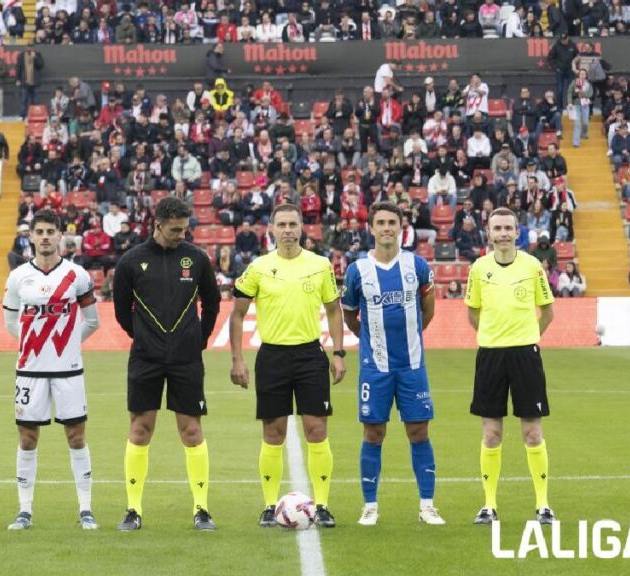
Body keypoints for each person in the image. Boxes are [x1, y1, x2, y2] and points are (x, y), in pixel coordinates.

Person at [230, 204, 346, 529]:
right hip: (272, 357)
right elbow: (237, 314)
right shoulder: (258, 267)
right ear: (270, 228)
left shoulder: (320, 265)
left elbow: (334, 310)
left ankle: (322, 505)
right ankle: (269, 505)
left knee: (317, 430)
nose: (288, 230)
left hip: (310, 355)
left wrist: (338, 353)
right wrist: (237, 358)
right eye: (281, 224)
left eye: (293, 224)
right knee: (273, 432)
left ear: (302, 227)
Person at [112, 197, 222, 531]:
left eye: (184, 229)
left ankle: (201, 509)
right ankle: (133, 510)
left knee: (191, 430)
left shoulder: (197, 259)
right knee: (140, 429)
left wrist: (197, 340)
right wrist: (144, 338)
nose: (181, 235)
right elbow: (121, 311)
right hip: (146, 358)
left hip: (186, 359)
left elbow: (213, 305)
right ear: (157, 224)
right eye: (175, 229)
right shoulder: (131, 262)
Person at [341, 202, 444, 527]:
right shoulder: (357, 270)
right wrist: (371, 339)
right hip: (376, 368)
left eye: (392, 222)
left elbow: (428, 311)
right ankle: (369, 506)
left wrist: (411, 335)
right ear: (371, 228)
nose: (386, 227)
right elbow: (349, 314)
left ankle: (427, 505)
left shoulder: (418, 266)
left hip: (412, 365)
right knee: (373, 433)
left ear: (401, 227)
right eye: (381, 222)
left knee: (418, 431)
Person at [2, 211, 102, 530]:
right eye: (39, 231)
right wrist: (34, 346)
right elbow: (9, 322)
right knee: (28, 437)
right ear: (30, 236)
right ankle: (24, 510)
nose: (45, 237)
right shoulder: (18, 277)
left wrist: (68, 344)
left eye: (51, 231)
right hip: (30, 371)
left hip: (68, 371)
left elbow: (92, 321)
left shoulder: (77, 275)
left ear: (60, 236)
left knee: (76, 436)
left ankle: (85, 509)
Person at [465, 207, 556, 526]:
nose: (503, 233)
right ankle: (489, 505)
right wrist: (494, 336)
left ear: (518, 232)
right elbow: (472, 313)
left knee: (532, 432)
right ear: (488, 233)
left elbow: (547, 311)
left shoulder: (532, 266)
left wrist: (529, 338)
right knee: (491, 433)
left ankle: (543, 505)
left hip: (525, 356)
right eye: (497, 228)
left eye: (508, 228)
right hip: (490, 354)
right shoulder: (478, 269)